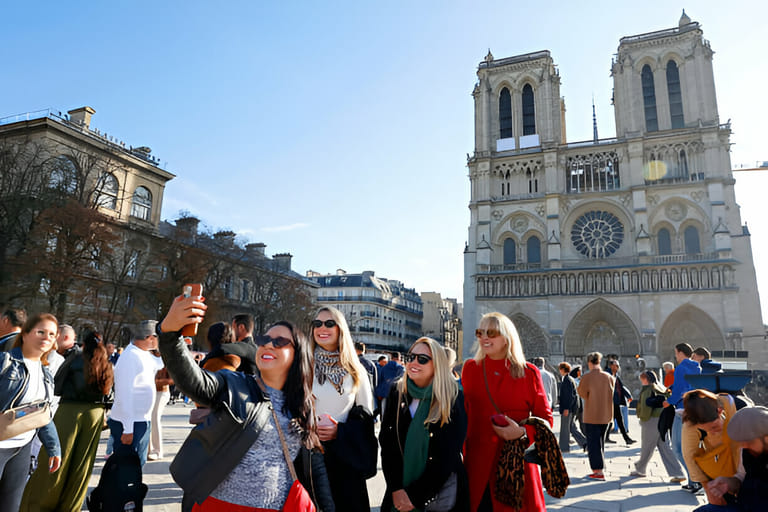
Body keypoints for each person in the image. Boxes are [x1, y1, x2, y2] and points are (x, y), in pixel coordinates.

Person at [157, 292, 334, 510]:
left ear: (298, 355)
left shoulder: (303, 405)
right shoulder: (235, 384)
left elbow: (314, 469)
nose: (268, 345)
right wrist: (169, 333)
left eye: (280, 342)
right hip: (219, 505)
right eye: (264, 340)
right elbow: (193, 381)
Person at [462, 312, 552, 511]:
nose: (484, 337)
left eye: (491, 332)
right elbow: (463, 412)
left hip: (515, 466)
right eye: (480, 332)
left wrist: (522, 433)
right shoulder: (470, 368)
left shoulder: (528, 372)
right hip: (477, 465)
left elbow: (545, 419)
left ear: (507, 338)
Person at [20, 330, 113, 511]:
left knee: (56, 460)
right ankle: (70, 506)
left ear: (83, 344)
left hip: (70, 411)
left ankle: (40, 504)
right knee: (82, 465)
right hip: (94, 415)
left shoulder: (75, 359)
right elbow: (109, 394)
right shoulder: (106, 363)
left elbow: (57, 385)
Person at [379, 337, 469, 512]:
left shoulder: (453, 398)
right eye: (410, 357)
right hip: (398, 493)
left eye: (422, 359)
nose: (413, 362)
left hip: (439, 497)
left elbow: (448, 455)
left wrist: (414, 496)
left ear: (438, 364)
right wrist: (396, 489)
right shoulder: (397, 393)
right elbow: (388, 446)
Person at [311, 306, 376, 511]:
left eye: (330, 323)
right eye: (317, 323)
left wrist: (339, 431)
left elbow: (366, 419)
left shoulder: (356, 370)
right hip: (305, 455)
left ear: (340, 329)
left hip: (343, 460)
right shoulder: (300, 365)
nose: (323, 328)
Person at [0, 313, 61, 510]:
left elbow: (42, 415)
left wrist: (54, 447)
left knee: (10, 506)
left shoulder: (46, 374)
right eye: (41, 331)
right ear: (25, 334)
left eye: (52, 334)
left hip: (22, 448)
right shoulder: (5, 361)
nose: (46, 337)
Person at [108, 320, 165, 466]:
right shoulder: (131, 356)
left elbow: (159, 364)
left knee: (137, 464)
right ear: (150, 338)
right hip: (130, 422)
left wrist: (170, 348)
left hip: (140, 419)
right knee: (128, 467)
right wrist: (128, 428)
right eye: (159, 337)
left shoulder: (142, 353)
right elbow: (124, 393)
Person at [682, 389, 742, 507]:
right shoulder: (690, 423)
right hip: (719, 474)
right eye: (707, 430)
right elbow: (690, 457)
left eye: (714, 427)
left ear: (720, 411)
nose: (712, 431)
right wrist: (708, 490)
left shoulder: (732, 404)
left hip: (744, 469)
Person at [704, 406, 768, 511]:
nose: (744, 446)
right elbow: (740, 478)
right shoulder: (747, 450)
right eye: (741, 441)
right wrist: (728, 483)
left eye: (749, 441)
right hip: (744, 506)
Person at [629, 370, 685, 482]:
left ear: (645, 379)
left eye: (642, 378)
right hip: (662, 418)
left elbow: (645, 408)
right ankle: (678, 473)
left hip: (652, 420)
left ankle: (641, 468)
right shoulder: (660, 387)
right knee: (664, 447)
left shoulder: (648, 389)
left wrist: (642, 419)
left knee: (647, 445)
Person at [664, 342, 702, 492]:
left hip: (681, 410)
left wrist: (668, 401)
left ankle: (696, 480)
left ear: (680, 353)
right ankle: (694, 482)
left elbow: (680, 391)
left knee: (677, 449)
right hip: (694, 409)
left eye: (676, 352)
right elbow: (689, 386)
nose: (675, 356)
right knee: (688, 448)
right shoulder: (697, 367)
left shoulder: (680, 368)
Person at [577, 351, 615, 481]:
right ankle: (600, 467)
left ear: (589, 362)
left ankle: (598, 471)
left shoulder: (587, 377)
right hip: (606, 415)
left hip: (592, 415)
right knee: (600, 443)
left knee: (593, 444)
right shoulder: (609, 377)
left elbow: (582, 393)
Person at [605, 359, 636, 445]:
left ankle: (625, 439)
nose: (618, 367)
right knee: (615, 421)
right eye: (616, 366)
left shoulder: (616, 375)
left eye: (618, 366)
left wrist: (628, 395)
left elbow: (621, 387)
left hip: (616, 402)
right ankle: (626, 439)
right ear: (611, 366)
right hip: (610, 402)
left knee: (615, 421)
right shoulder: (607, 375)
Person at [558, 362, 586, 453]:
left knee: (565, 429)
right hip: (573, 408)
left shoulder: (567, 380)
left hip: (568, 409)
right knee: (572, 428)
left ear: (563, 369)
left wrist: (566, 408)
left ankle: (564, 447)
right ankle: (585, 443)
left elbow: (569, 396)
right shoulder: (570, 379)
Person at [148, 358, 173, 461]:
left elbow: (172, 380)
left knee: (154, 418)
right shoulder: (146, 356)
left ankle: (157, 450)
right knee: (149, 419)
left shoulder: (167, 359)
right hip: (149, 391)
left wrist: (154, 382)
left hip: (161, 391)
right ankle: (148, 449)